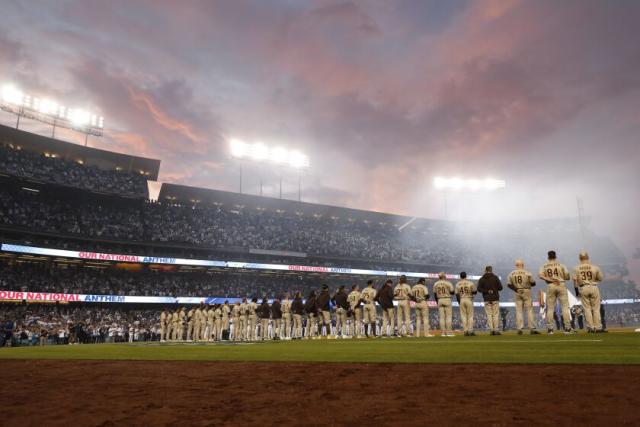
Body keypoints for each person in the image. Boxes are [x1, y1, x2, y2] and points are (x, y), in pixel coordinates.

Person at [539, 250, 572, 334]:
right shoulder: (561, 265)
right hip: (561, 284)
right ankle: (567, 328)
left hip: (550, 285)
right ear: (555, 256)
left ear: (548, 257)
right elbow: (568, 276)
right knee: (565, 307)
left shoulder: (544, 265)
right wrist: (560, 279)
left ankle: (550, 329)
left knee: (550, 308)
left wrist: (551, 279)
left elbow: (540, 275)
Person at [572, 251, 604, 332]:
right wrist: (593, 280)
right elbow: (600, 278)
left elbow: (575, 281)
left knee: (587, 309)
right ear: (588, 257)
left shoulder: (576, 268)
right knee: (596, 308)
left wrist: (576, 291)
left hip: (583, 288)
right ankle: (598, 327)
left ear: (579, 258)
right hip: (593, 286)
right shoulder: (595, 267)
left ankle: (591, 327)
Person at [507, 260, 539, 334]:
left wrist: (516, 289)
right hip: (526, 290)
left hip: (517, 291)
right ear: (523, 265)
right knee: (529, 310)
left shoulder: (511, 273)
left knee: (519, 311)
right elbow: (533, 283)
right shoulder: (527, 272)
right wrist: (528, 284)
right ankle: (532, 328)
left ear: (516, 265)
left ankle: (519, 328)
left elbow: (509, 284)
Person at [477, 266, 503, 335]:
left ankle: (491, 330)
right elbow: (500, 288)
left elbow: (479, 289)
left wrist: (486, 291)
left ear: (485, 270)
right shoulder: (495, 277)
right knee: (495, 314)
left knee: (489, 315)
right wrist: (494, 289)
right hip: (495, 298)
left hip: (486, 298)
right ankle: (496, 330)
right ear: (491, 270)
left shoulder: (482, 279)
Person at [433, 272, 455, 337]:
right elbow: (452, 292)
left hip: (439, 299)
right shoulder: (448, 283)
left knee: (441, 317)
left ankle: (443, 332)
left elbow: (434, 294)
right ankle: (449, 332)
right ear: (444, 276)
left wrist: (437, 301)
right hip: (447, 299)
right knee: (448, 317)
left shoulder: (436, 283)